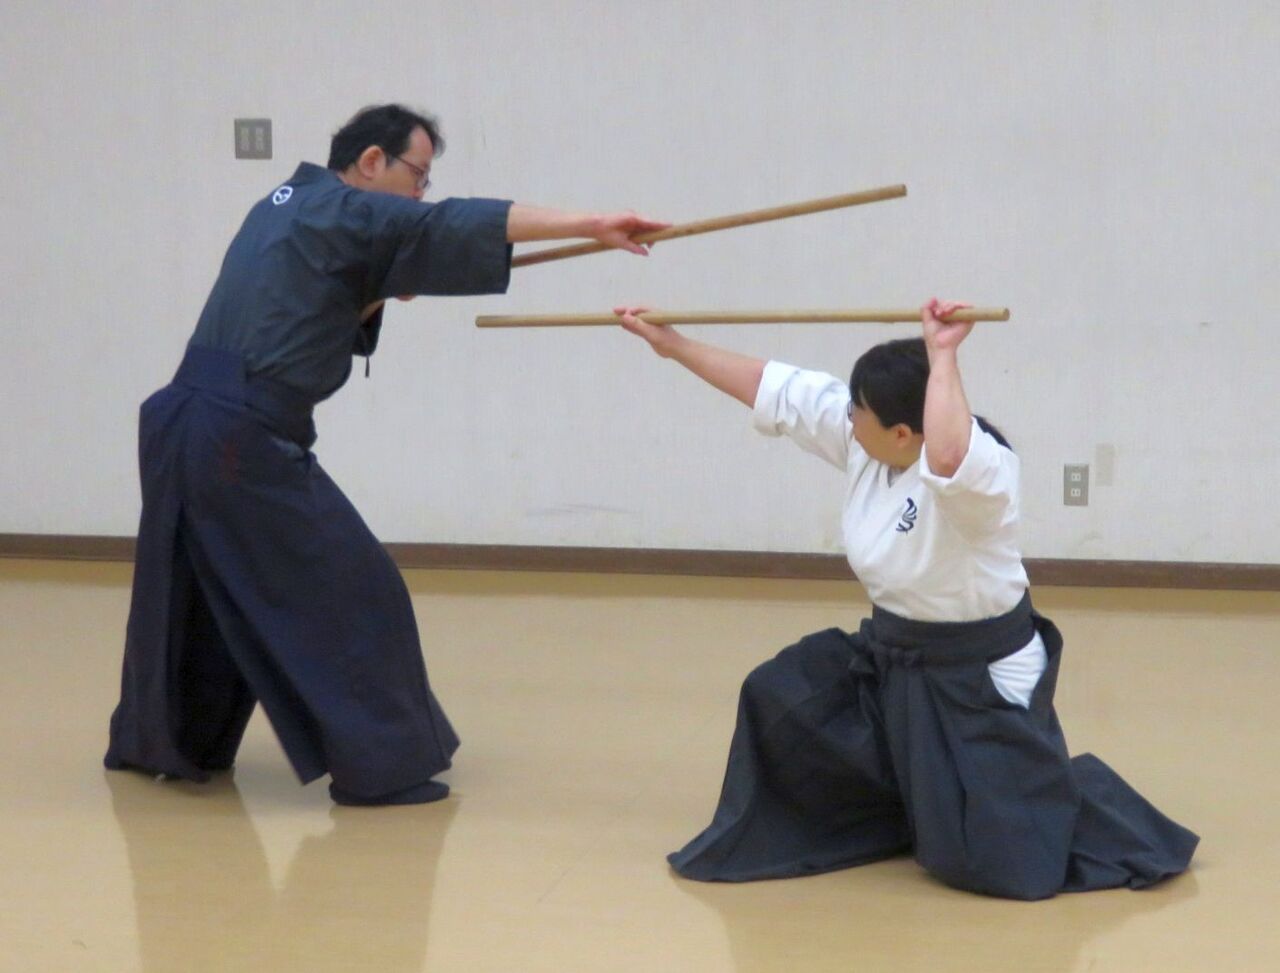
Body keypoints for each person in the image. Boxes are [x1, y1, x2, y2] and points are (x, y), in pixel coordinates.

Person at [104, 104, 668, 806]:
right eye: (418, 176)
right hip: (237, 435)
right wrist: (592, 225)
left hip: (184, 421)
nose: (421, 194)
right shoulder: (344, 208)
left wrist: (372, 292)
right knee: (356, 589)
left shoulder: (287, 204)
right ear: (372, 161)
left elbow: (314, 307)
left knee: (207, 589)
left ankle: (165, 741)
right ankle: (379, 768)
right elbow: (450, 224)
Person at [614, 299, 1198, 899]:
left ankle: (1025, 790)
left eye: (858, 412)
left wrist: (943, 353)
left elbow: (946, 455)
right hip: (893, 656)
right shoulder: (869, 443)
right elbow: (777, 390)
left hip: (976, 677)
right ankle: (911, 800)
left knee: (1003, 862)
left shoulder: (980, 478)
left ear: (900, 432)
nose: (847, 419)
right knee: (782, 696)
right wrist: (673, 345)